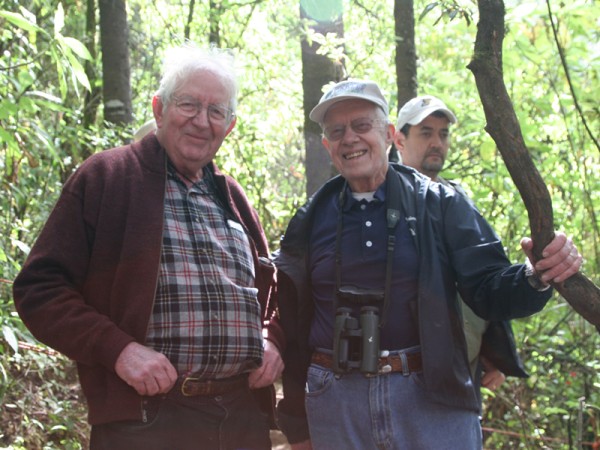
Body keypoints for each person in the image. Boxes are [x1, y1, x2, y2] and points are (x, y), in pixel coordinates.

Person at [274, 79, 582, 449]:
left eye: (361, 126)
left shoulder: (440, 203)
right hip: (337, 403)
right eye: (337, 131)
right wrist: (296, 422)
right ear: (327, 146)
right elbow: (292, 322)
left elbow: (488, 288)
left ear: (389, 135)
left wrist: (538, 275)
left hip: (430, 396)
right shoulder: (310, 220)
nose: (350, 138)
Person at [13, 44, 284, 450]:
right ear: (159, 109)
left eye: (216, 111)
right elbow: (39, 289)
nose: (201, 121)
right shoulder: (108, 177)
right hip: (147, 420)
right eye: (188, 104)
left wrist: (273, 337)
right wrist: (119, 350)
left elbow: (272, 291)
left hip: (242, 416)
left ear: (229, 127)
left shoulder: (232, 197)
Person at [393, 94, 525, 393]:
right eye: (425, 133)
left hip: (465, 369)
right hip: (407, 376)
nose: (437, 142)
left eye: (443, 134)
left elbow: (484, 279)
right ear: (399, 140)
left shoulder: (459, 198)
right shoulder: (385, 201)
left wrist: (495, 353)